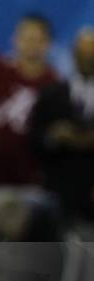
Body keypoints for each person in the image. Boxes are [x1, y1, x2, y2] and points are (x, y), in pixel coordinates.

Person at [0, 14, 57, 187]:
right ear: (15, 39)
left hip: (31, 179)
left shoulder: (54, 85)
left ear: (48, 43)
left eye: (37, 39)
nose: (31, 44)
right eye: (26, 38)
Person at [30, 27, 94, 225]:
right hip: (59, 191)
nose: (87, 59)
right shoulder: (51, 94)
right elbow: (33, 139)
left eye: (91, 54)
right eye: (82, 53)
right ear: (73, 54)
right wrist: (53, 136)